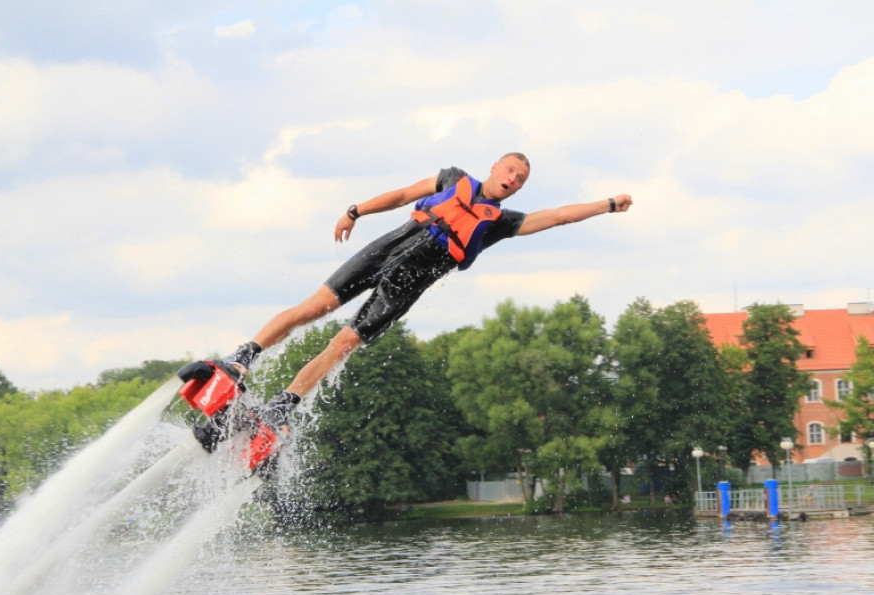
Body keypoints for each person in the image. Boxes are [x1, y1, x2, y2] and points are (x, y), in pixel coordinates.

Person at [190, 152, 633, 450]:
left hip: (408, 284)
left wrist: (608, 205)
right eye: (510, 171)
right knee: (313, 308)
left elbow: (556, 217)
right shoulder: (451, 179)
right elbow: (403, 195)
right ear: (495, 167)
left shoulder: (502, 222)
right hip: (385, 250)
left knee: (342, 345)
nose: (513, 180)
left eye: (521, 179)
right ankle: (243, 357)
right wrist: (355, 210)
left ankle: (283, 405)